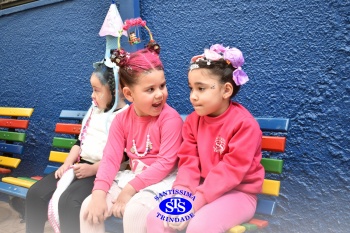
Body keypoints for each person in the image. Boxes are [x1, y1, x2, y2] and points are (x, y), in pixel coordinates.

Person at [147, 44, 265, 233]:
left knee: (200, 227)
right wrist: (182, 195)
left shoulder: (244, 125)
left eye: (201, 89)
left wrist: (194, 204)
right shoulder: (194, 121)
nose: (193, 97)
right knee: (156, 219)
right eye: (191, 89)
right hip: (201, 190)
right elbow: (188, 163)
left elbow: (230, 172)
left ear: (226, 90)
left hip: (239, 195)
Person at [79, 21, 183, 233]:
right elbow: (110, 159)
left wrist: (128, 192)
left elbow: (165, 164)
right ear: (129, 95)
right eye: (150, 89)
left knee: (135, 212)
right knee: (88, 208)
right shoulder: (121, 120)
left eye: (162, 86)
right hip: (133, 179)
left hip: (163, 183)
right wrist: (99, 193)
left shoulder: (169, 119)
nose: (159, 94)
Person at [25, 61, 129, 233]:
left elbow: (123, 157)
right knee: (35, 193)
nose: (92, 95)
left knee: (69, 202)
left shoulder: (125, 116)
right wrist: (67, 164)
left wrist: (93, 169)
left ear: (116, 90)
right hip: (77, 167)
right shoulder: (94, 111)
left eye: (96, 90)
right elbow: (79, 142)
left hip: (102, 172)